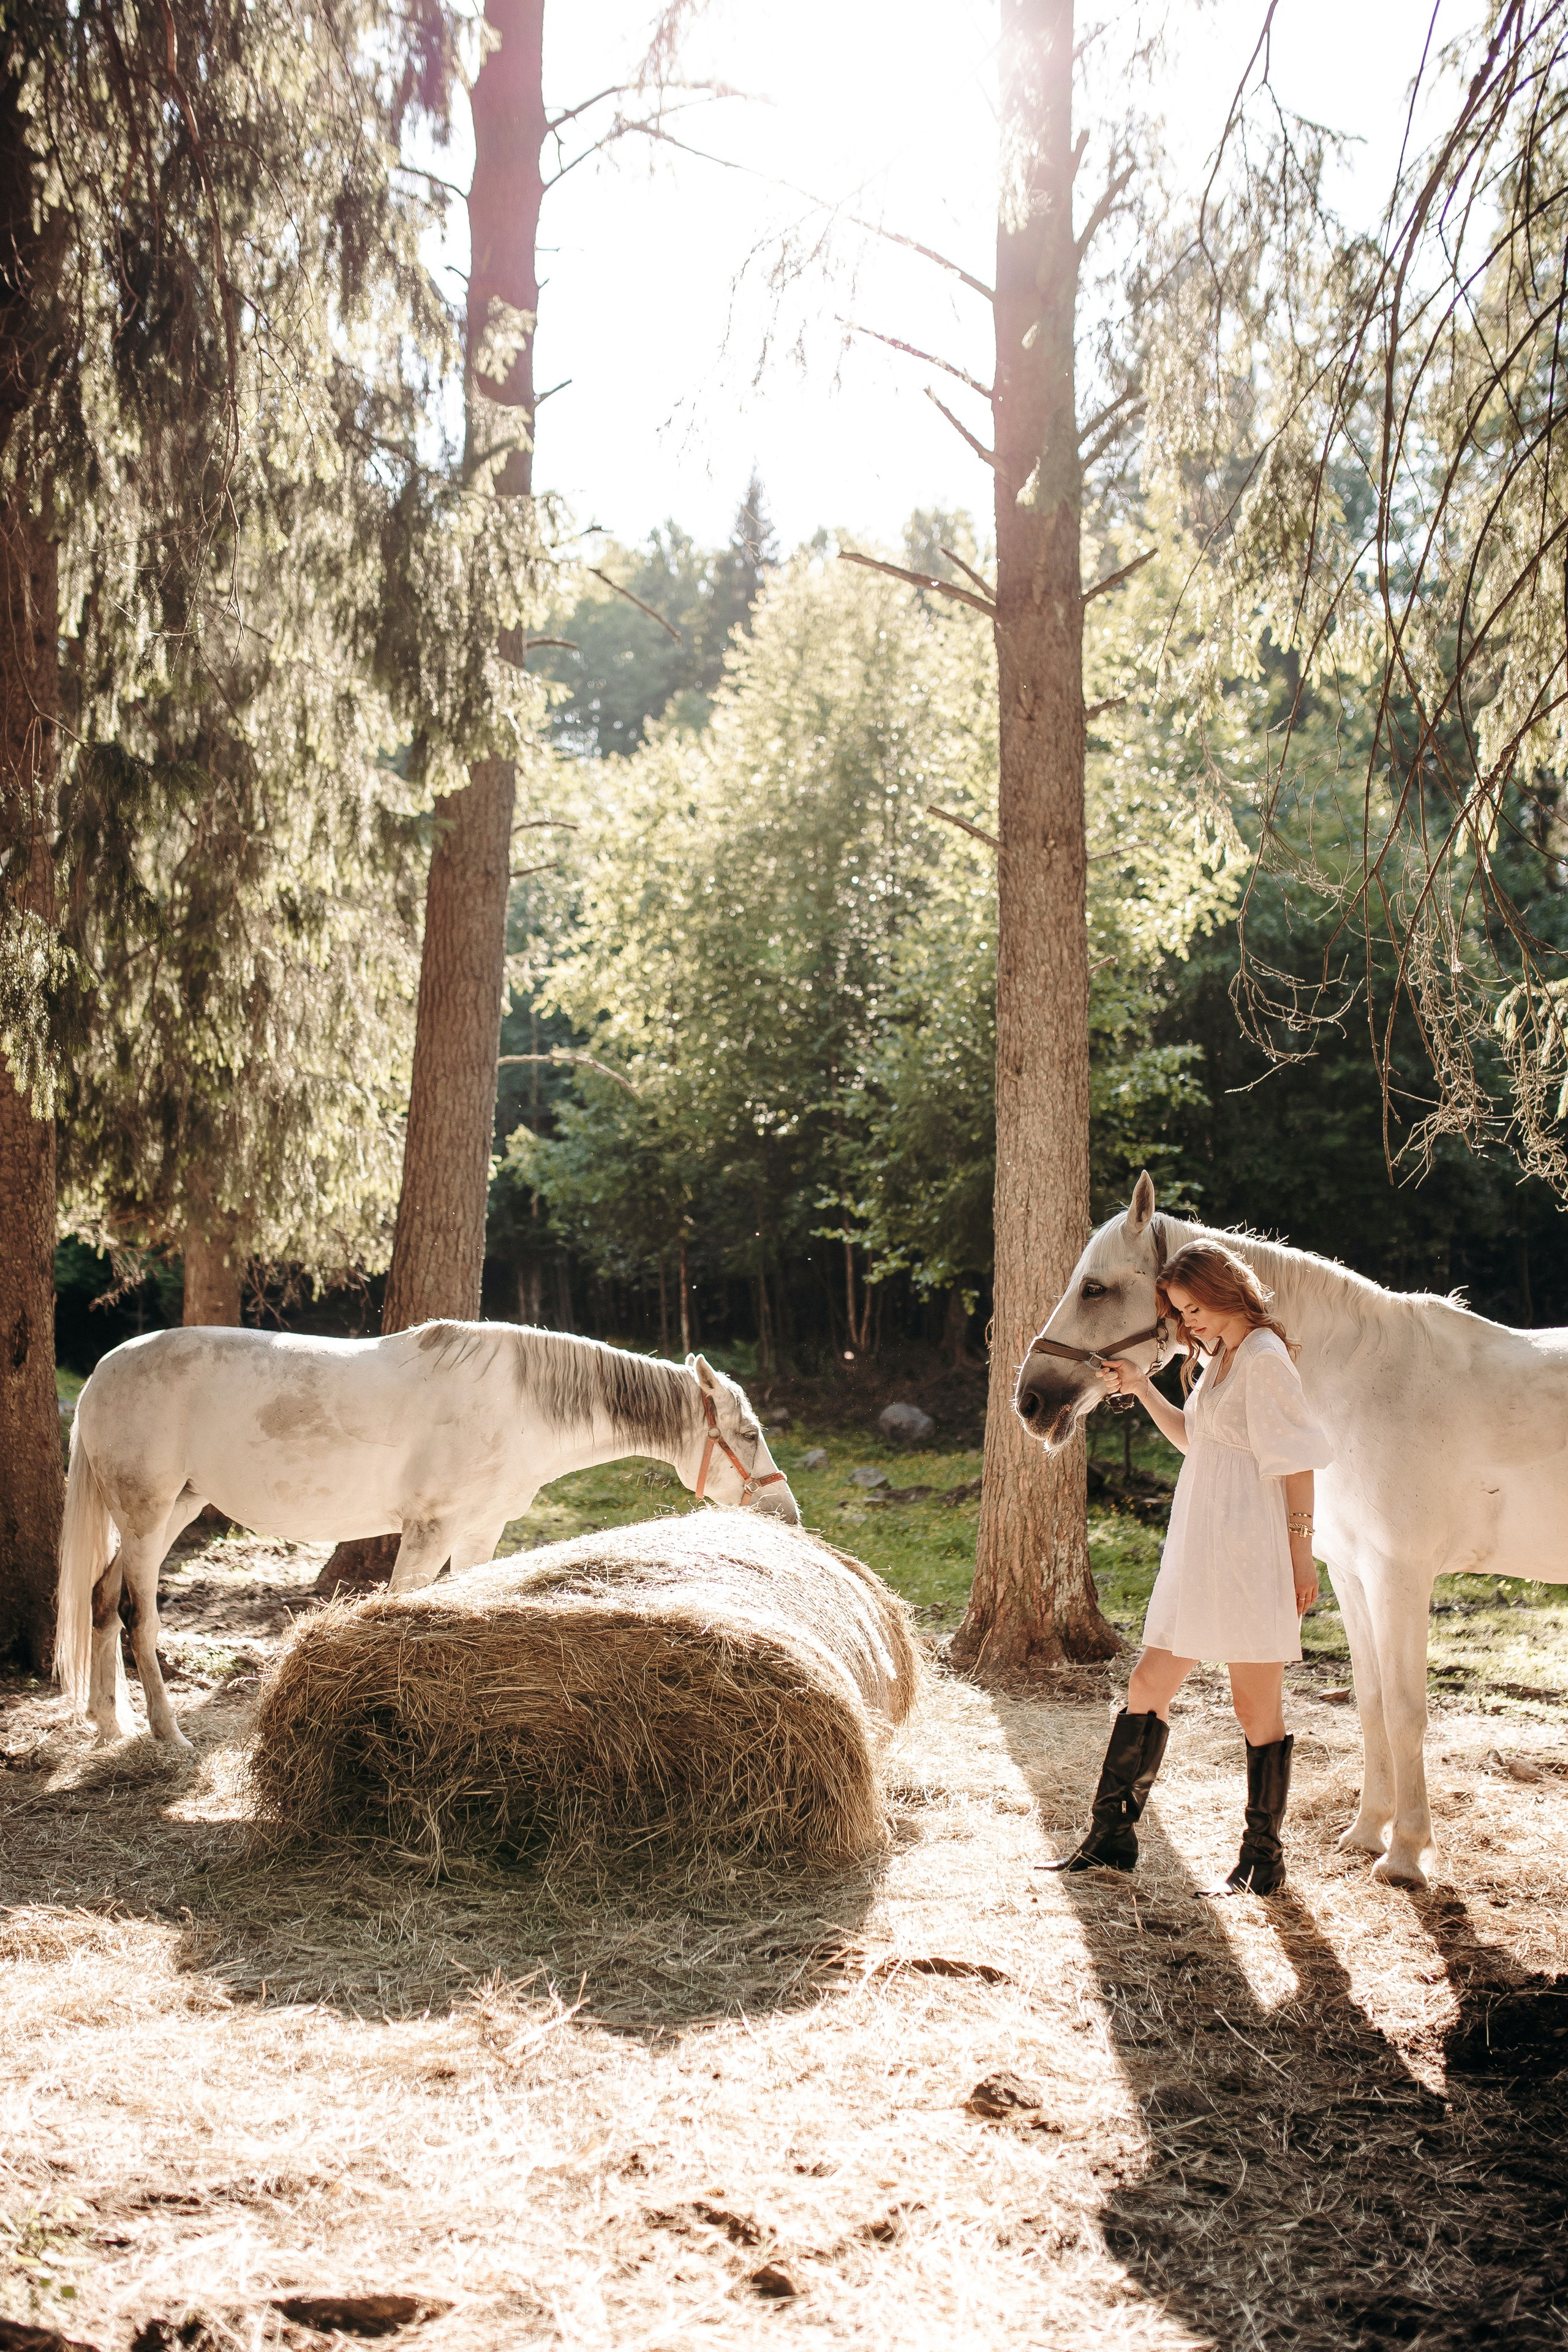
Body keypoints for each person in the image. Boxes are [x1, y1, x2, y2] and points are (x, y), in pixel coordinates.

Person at [1043, 1239, 1332, 1895]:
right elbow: (1195, 1443)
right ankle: (1110, 1837)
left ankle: (1262, 1858)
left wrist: (1297, 1553)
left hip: (1249, 1551)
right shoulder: (1219, 1357)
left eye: (1195, 1307)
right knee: (1147, 1685)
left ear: (1228, 1292)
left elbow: (1296, 1462)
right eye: (1180, 1311)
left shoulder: (1263, 1358)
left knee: (1254, 1709)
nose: (1188, 1323)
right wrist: (1143, 1385)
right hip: (1198, 1546)